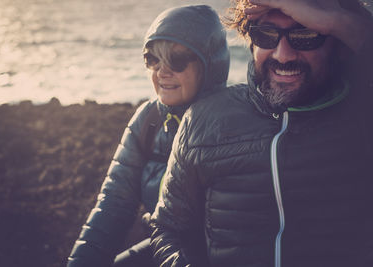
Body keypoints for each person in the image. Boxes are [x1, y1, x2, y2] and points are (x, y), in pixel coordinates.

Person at [151, 0, 373, 266]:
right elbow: (169, 229)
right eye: (266, 35)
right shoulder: (203, 119)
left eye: (305, 35)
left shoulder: (362, 112)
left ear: (335, 43)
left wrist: (343, 22)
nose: (283, 55)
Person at [67, 5, 229, 267]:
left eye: (176, 60)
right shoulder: (149, 119)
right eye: (152, 59)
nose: (162, 71)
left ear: (209, 65)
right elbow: (114, 203)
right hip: (162, 247)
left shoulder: (233, 124)